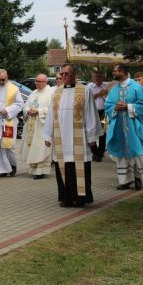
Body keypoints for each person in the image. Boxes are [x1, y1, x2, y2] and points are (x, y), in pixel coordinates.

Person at [44, 64, 103, 207]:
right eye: (62, 74)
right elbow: (51, 115)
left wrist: (91, 138)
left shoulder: (84, 90)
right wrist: (47, 135)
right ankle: (67, 198)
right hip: (61, 138)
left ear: (74, 75)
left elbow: (90, 115)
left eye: (66, 74)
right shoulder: (56, 92)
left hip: (79, 138)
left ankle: (81, 198)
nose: (63, 76)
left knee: (79, 168)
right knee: (63, 167)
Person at [105, 64, 143, 191]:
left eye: (115, 71)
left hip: (134, 126)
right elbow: (108, 104)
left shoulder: (136, 88)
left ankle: (138, 178)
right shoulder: (114, 89)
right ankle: (124, 181)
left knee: (136, 151)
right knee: (121, 153)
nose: (114, 73)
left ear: (122, 72)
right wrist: (115, 108)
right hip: (119, 126)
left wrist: (129, 106)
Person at [0, 69, 24, 177]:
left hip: (9, 121)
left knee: (8, 145)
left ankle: (12, 165)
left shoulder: (14, 89)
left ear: (7, 77)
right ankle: (0, 170)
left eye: (3, 80)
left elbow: (20, 104)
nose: (1, 82)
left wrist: (7, 110)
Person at [21, 74, 53, 178]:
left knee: (40, 148)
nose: (37, 83)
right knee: (33, 148)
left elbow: (52, 110)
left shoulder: (51, 93)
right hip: (32, 124)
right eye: (36, 81)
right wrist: (28, 111)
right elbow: (25, 106)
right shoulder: (33, 93)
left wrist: (38, 112)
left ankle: (41, 171)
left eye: (39, 82)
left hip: (42, 126)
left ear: (45, 82)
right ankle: (34, 169)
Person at [87, 70, 109, 162]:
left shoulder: (106, 87)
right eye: (95, 76)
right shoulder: (89, 87)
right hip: (93, 112)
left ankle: (100, 154)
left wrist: (105, 94)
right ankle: (95, 151)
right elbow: (88, 98)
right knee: (91, 132)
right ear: (92, 77)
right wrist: (99, 94)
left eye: (99, 76)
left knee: (103, 133)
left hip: (103, 112)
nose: (97, 78)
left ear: (102, 77)